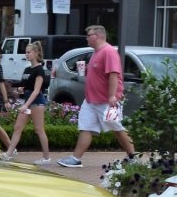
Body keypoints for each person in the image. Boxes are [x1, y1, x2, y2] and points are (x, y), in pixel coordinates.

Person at [58, 26, 136, 168]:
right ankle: (76, 159)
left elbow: (113, 74)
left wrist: (112, 96)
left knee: (117, 128)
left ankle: (132, 157)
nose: (86, 38)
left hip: (106, 101)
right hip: (91, 100)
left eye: (88, 35)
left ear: (97, 36)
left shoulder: (109, 52)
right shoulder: (96, 53)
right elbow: (97, 73)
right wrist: (84, 70)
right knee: (86, 127)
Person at [2, 41, 51, 164]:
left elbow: (36, 90)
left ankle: (46, 158)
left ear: (36, 53)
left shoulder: (39, 70)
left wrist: (25, 104)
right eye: (26, 52)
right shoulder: (27, 69)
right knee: (18, 128)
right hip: (28, 100)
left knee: (39, 129)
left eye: (28, 52)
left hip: (37, 102)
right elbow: (25, 86)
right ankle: (8, 154)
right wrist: (20, 89)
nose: (26, 55)